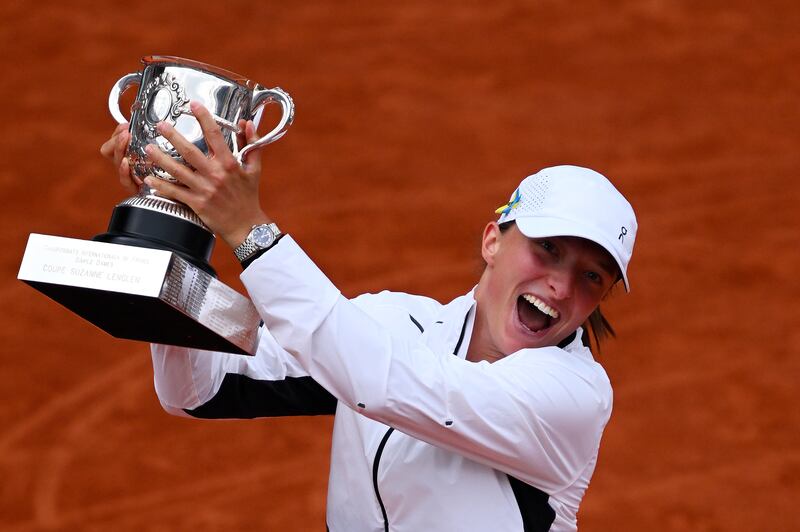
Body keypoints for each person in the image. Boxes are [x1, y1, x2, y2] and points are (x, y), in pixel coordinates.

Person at [100, 101, 638, 532]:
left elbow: (383, 382)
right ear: (493, 240)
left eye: (593, 277)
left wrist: (249, 230)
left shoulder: (571, 397)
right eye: (547, 249)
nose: (562, 286)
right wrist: (174, 225)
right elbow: (200, 388)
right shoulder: (391, 326)